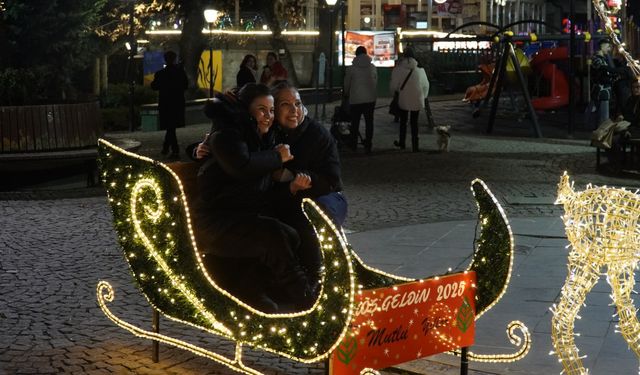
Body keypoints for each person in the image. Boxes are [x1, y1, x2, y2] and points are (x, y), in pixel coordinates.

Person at [194, 83, 314, 313]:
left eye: (270, 110)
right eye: (261, 110)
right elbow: (241, 165)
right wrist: (276, 157)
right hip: (217, 222)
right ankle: (306, 300)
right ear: (246, 111)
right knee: (273, 238)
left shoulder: (260, 136)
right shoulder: (227, 135)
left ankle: (251, 290)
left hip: (242, 217)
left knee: (290, 235)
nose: (268, 116)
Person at [270, 82, 347, 288]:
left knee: (311, 216)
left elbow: (331, 179)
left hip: (326, 196)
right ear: (274, 109)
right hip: (291, 197)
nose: (294, 110)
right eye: (286, 105)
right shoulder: (270, 134)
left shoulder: (317, 135)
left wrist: (293, 177)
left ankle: (320, 277)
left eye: (297, 103)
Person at [389, 47, 430, 152]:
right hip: (417, 98)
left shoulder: (398, 69)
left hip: (403, 99)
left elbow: (393, 85)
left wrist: (395, 92)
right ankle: (415, 146)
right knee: (414, 122)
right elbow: (426, 85)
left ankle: (402, 143)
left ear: (404, 56)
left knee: (403, 121)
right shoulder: (420, 70)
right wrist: (423, 96)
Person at [151, 51, 189, 159]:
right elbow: (185, 86)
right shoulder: (180, 72)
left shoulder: (160, 74)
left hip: (165, 103)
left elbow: (154, 86)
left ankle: (173, 149)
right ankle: (168, 148)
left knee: (170, 126)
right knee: (171, 127)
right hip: (177, 102)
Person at [344, 46, 377, 153]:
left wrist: (346, 93)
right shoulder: (372, 67)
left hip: (356, 99)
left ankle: (353, 144)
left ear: (356, 55)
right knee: (369, 122)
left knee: (355, 123)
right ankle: (368, 144)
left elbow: (347, 84)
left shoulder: (351, 69)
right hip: (370, 99)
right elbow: (375, 82)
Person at [591, 39, 620, 126]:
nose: (609, 49)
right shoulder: (597, 59)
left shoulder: (603, 58)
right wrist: (616, 72)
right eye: (608, 47)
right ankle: (602, 133)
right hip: (601, 90)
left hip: (604, 90)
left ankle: (602, 131)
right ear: (602, 47)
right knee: (603, 116)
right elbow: (603, 69)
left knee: (603, 114)